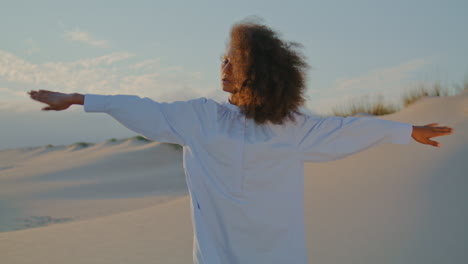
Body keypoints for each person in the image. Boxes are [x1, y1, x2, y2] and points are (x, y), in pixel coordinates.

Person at [29, 20, 453, 264]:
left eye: (234, 58)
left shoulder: (292, 126)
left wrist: (405, 130)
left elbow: (347, 130)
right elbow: (145, 109)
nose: (224, 65)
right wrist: (83, 99)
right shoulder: (202, 117)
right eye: (224, 57)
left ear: (259, 69)